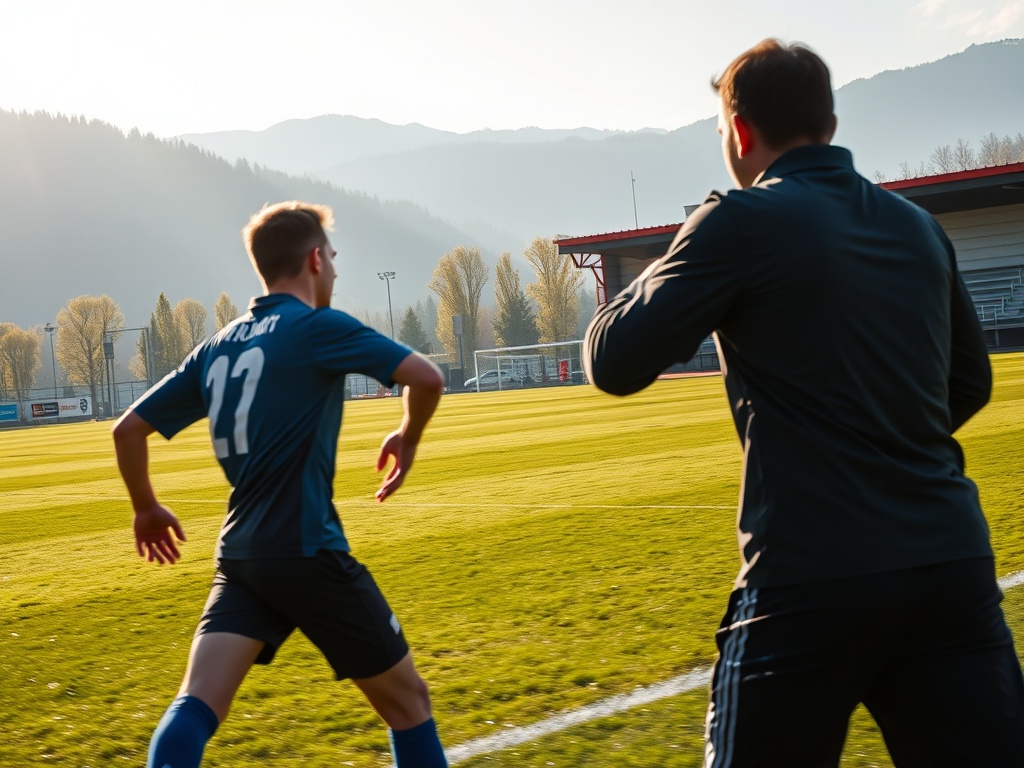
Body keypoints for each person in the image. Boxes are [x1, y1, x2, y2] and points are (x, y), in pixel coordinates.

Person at [584, 39, 1024, 768]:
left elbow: (612, 360)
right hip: (949, 561)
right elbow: (970, 383)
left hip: (812, 574)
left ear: (739, 131)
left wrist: (679, 251)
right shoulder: (918, 226)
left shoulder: (737, 220)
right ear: (831, 122)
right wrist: (880, 440)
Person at [113, 201, 448, 768]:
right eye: (335, 259)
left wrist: (145, 508)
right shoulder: (316, 327)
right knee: (409, 705)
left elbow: (128, 431)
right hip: (308, 551)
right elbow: (426, 376)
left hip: (243, 557)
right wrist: (407, 437)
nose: (337, 272)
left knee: (195, 706)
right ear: (316, 259)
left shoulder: (219, 344)